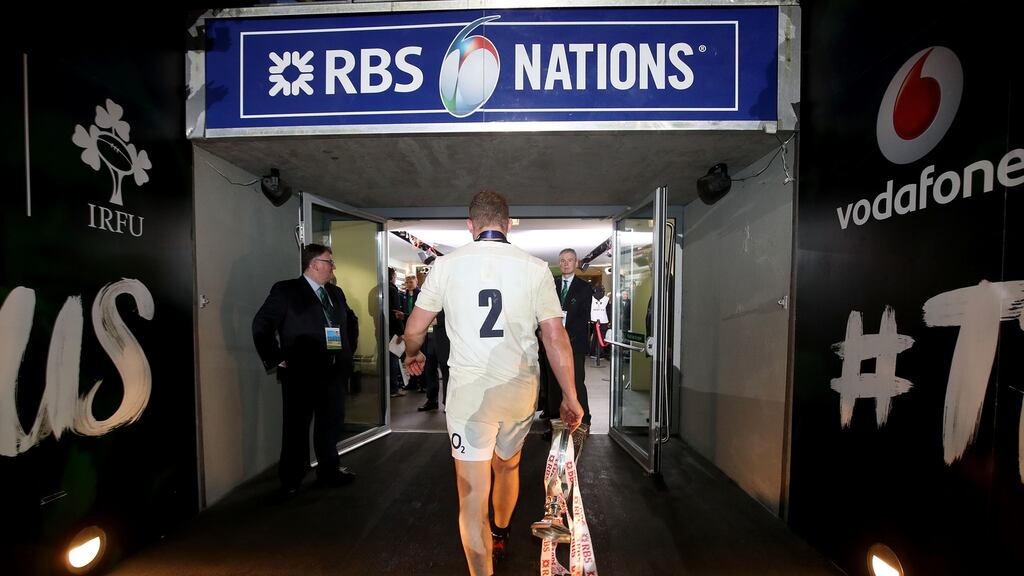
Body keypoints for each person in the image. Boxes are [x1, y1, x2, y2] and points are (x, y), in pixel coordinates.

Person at [403, 190, 584, 576]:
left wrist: (412, 353)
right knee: (508, 466)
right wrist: (570, 395)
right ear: (508, 224)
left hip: (469, 397)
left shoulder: (446, 266)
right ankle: (501, 532)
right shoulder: (535, 268)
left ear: (470, 226)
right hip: (519, 391)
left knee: (471, 499)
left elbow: (415, 328)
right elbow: (555, 337)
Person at [252, 243, 357, 497]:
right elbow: (261, 325)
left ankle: (329, 470)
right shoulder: (286, 290)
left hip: (333, 373)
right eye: (329, 262)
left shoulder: (336, 293)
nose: (333, 267)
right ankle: (291, 477)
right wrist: (277, 358)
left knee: (330, 424)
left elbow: (350, 321)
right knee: (296, 428)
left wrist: (346, 353)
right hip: (301, 374)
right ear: (314, 264)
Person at [546, 248, 594, 431]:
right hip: (553, 344)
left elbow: (583, 318)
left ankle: (584, 422)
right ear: (560, 263)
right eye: (563, 260)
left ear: (576, 263)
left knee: (577, 382)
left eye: (570, 260)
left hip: (574, 344)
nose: (566, 263)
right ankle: (555, 424)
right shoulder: (551, 286)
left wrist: (565, 333)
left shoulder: (584, 288)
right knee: (554, 384)